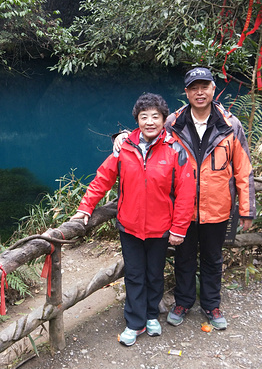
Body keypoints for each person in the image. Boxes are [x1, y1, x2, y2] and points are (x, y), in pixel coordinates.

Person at [113, 67, 256, 331]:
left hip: (217, 207)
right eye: (194, 88)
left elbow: (243, 170)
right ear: (187, 92)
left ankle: (212, 305)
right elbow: (144, 133)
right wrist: (121, 137)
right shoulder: (173, 123)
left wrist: (246, 210)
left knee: (213, 259)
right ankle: (183, 301)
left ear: (214, 89)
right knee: (183, 258)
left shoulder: (230, 125)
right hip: (182, 209)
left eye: (205, 87)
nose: (199, 92)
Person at [71, 93, 195, 347]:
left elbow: (186, 192)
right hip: (129, 226)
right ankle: (135, 322)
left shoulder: (175, 149)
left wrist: (179, 228)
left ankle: (151, 315)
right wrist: (85, 208)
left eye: (155, 116)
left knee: (155, 273)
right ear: (137, 120)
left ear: (164, 119)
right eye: (144, 116)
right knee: (135, 275)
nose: (150, 121)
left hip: (161, 228)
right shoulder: (124, 148)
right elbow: (102, 179)